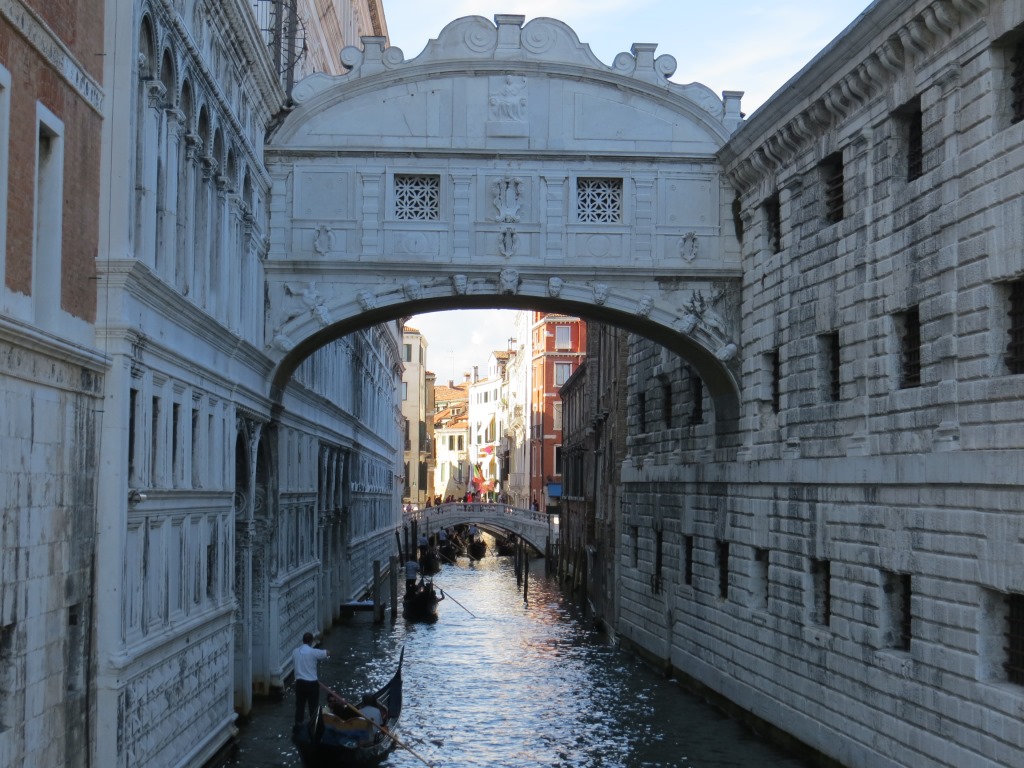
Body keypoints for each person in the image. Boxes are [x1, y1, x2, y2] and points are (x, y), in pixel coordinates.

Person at [293, 632, 329, 726]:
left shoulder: (295, 651)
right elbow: (326, 653)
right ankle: (313, 727)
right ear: (311, 641)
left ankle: (298, 726)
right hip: (312, 684)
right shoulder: (314, 652)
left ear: (303, 640)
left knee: (299, 707)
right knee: (313, 708)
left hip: (299, 683)